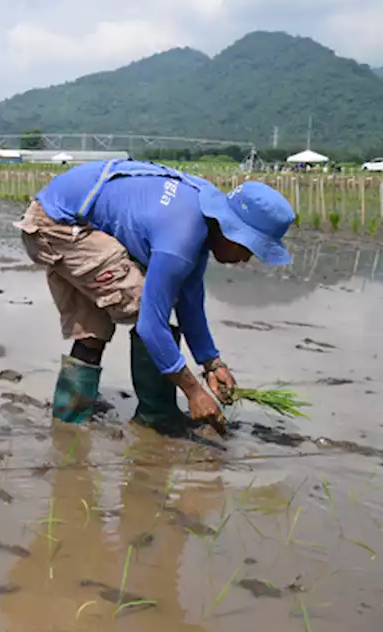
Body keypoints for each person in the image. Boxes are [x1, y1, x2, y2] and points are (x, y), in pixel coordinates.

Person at [16, 158, 295, 434]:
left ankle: (69, 420)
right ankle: (157, 418)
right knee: (142, 304)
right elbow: (151, 325)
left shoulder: (200, 218)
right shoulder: (181, 236)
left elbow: (190, 302)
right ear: (230, 230)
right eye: (249, 247)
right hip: (57, 225)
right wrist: (194, 391)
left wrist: (212, 363)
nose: (246, 259)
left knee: (94, 329)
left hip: (66, 213)